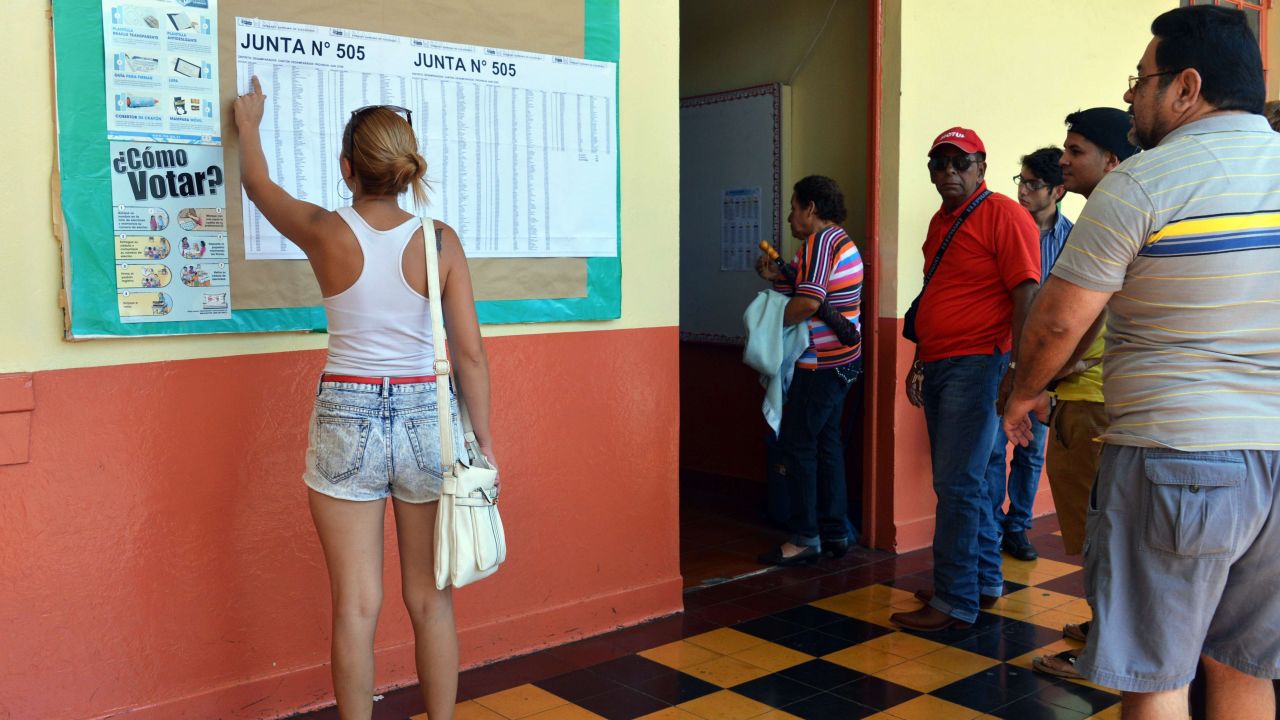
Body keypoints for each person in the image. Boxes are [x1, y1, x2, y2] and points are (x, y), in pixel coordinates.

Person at [1004, 7, 1280, 717]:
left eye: (1141, 79)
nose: (1130, 95)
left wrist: (1021, 393)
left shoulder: (1146, 182)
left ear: (1187, 87)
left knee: (1156, 676)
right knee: (1245, 668)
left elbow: (1060, 318)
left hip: (1178, 455)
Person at [234, 76, 496, 720]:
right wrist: (482, 441)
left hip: (345, 415)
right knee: (430, 600)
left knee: (355, 606)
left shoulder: (325, 230)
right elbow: (468, 354)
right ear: (405, 171)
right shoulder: (439, 241)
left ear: (347, 168)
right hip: (429, 422)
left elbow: (258, 187)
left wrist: (248, 125)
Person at [891, 128, 1040, 632]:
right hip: (943, 362)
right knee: (971, 482)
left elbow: (1026, 295)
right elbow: (938, 295)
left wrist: (1018, 372)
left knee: (956, 485)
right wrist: (920, 358)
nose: (949, 172)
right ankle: (980, 582)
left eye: (960, 162)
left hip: (979, 366)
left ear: (982, 166)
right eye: (939, 163)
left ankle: (954, 602)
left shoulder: (1004, 214)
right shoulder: (941, 221)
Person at [1025, 108, 1137, 681]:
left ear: (1112, 161)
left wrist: (1032, 384)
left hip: (1093, 400)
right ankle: (1106, 633)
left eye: (1076, 151)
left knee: (1103, 533)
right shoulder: (1124, 209)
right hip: (1097, 398)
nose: (1063, 161)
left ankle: (1105, 654)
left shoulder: (1112, 213)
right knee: (1100, 529)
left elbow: (1075, 322)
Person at [754, 175, 863, 566]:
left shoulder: (820, 243)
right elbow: (806, 292)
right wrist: (775, 279)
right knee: (826, 443)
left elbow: (808, 303)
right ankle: (835, 531)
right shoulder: (838, 242)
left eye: (794, 208)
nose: (789, 218)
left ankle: (805, 536)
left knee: (798, 443)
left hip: (821, 363)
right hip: (843, 362)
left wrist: (768, 323)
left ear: (810, 208)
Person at [989, 146, 1072, 562]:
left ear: (1058, 190)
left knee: (1031, 446)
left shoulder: (1074, 238)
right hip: (999, 348)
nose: (1022, 190)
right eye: (1019, 181)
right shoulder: (1005, 227)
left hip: (1043, 357)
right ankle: (989, 522)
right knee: (991, 444)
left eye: (1033, 184)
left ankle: (1017, 527)